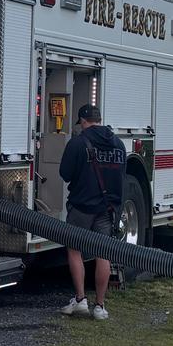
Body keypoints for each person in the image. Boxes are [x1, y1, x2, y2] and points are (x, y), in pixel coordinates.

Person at [58, 104, 126, 320]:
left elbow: (65, 174)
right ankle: (100, 306)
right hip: (107, 208)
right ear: (99, 119)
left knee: (74, 250)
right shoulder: (119, 144)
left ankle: (80, 300)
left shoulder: (77, 143)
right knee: (103, 254)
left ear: (83, 121)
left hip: (81, 206)